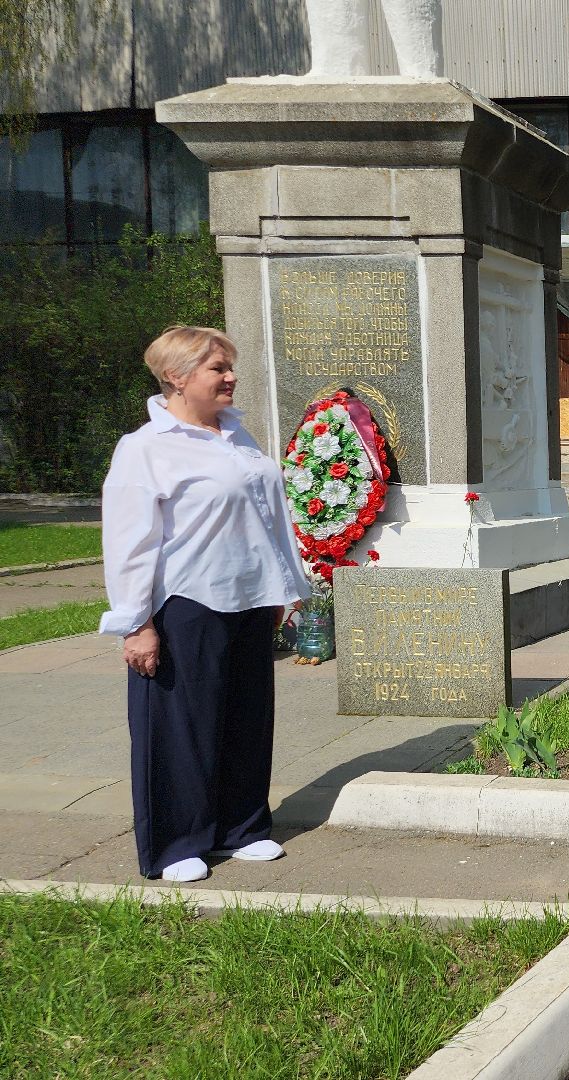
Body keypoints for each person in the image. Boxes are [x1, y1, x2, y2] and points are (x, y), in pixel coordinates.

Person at [99, 326, 310, 883]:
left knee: (245, 718)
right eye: (218, 368)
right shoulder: (145, 449)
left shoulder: (237, 437)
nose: (231, 377)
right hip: (185, 603)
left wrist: (282, 586)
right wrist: (136, 622)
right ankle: (177, 842)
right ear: (177, 376)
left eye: (229, 366)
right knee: (178, 727)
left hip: (248, 599)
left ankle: (241, 828)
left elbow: (268, 517)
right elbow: (129, 540)